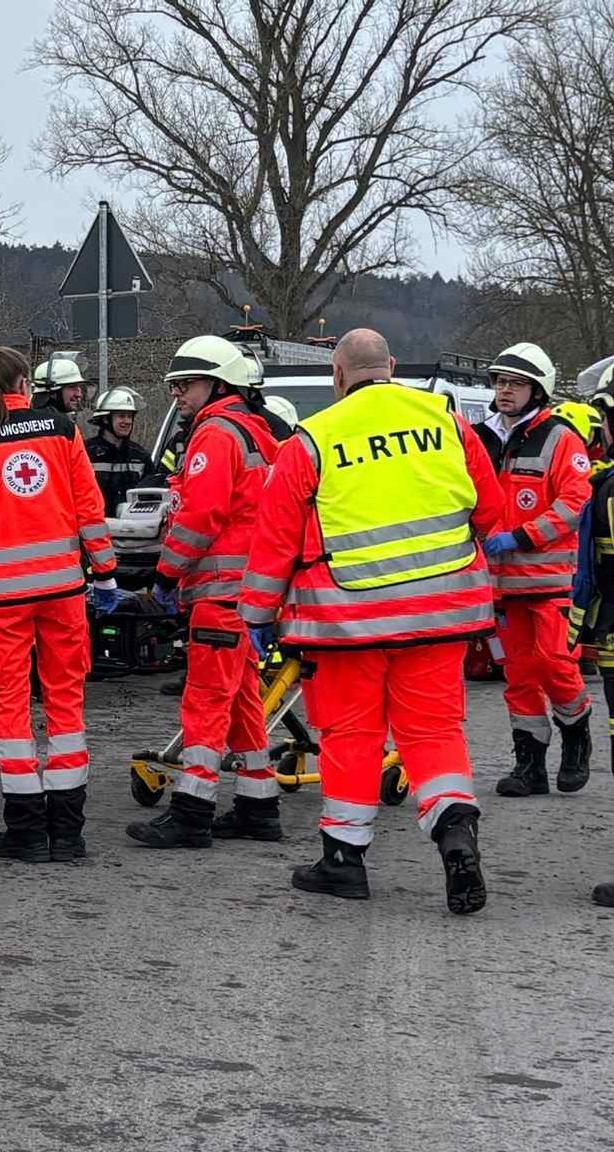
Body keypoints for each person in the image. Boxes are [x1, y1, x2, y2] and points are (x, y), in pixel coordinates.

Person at [240, 328, 506, 915]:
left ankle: (344, 861)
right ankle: (455, 830)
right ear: (390, 366)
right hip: (440, 615)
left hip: (346, 623)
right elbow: (490, 512)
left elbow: (274, 539)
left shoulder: (313, 439)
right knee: (434, 733)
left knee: (350, 736)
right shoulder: (446, 421)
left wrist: (256, 616)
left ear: (338, 376)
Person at [0, 347, 117, 864]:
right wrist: (104, 572)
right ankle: (68, 832)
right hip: (63, 594)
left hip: (3, 602)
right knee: (66, 704)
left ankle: (27, 833)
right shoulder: (61, 431)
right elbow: (88, 508)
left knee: (11, 709)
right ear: (25, 385)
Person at [126, 336, 284, 848]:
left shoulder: (215, 433)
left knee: (206, 701)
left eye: (187, 385)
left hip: (219, 591)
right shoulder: (256, 433)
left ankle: (192, 811)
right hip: (251, 592)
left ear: (219, 383)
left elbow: (201, 517)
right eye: (175, 386)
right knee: (241, 702)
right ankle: (258, 807)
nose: (179, 395)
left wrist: (166, 576)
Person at [476, 342, 595, 797]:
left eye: (516, 384)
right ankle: (530, 766)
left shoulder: (561, 438)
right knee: (519, 675)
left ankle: (576, 731)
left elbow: (575, 502)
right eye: (500, 382)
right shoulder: (485, 436)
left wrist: (523, 536)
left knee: (553, 663)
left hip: (547, 581)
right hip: (499, 584)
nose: (505, 391)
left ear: (538, 390)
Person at [84, 386, 153, 516]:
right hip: (98, 528)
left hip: (134, 529)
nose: (127, 421)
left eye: (130, 416)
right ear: (105, 419)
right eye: (121, 416)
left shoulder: (140, 456)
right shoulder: (86, 453)